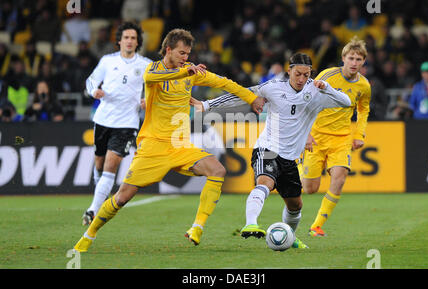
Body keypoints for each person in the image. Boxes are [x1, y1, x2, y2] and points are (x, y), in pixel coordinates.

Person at [74, 28, 265, 252]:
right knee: (122, 197)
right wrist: (187, 73)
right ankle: (90, 234)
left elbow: (225, 83)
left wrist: (252, 98)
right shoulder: (153, 69)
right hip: (153, 145)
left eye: (188, 54)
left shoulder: (189, 71)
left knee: (217, 170)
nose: (186, 58)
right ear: (168, 50)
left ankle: (197, 227)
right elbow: (153, 77)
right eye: (182, 53)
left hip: (179, 144)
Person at [191, 52, 352, 249]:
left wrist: (327, 87)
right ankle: (251, 223)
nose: (302, 79)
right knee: (265, 183)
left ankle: (288, 235)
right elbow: (242, 94)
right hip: (267, 148)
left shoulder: (317, 92)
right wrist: (207, 104)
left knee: (296, 206)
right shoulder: (273, 88)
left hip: (290, 157)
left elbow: (346, 101)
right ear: (289, 70)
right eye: (298, 74)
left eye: (306, 75)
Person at [298, 36, 371, 237]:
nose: (354, 63)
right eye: (351, 58)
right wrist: (306, 133)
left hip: (342, 138)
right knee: (310, 188)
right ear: (343, 58)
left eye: (359, 59)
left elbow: (364, 109)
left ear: (363, 61)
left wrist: (359, 134)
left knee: (339, 178)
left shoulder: (364, 86)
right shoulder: (328, 76)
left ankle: (317, 225)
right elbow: (306, 101)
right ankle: (298, 164)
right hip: (318, 136)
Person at [80, 22, 151, 226]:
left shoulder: (145, 65)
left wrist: (149, 100)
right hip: (103, 119)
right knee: (99, 164)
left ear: (138, 42)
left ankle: (93, 210)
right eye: (126, 37)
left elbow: (157, 87)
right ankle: (100, 185)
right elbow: (91, 81)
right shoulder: (107, 61)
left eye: (133, 38)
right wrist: (95, 92)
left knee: (111, 166)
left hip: (127, 123)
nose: (129, 41)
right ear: (119, 40)